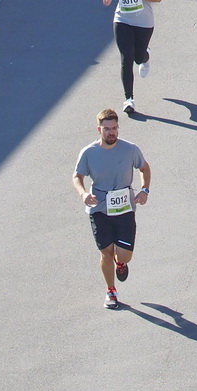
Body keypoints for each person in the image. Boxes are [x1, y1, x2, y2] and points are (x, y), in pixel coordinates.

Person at [73, 109, 151, 308]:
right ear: (99, 130)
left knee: (124, 254)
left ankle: (121, 263)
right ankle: (111, 291)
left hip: (125, 208)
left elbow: (144, 168)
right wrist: (83, 194)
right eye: (106, 129)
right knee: (106, 252)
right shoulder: (89, 153)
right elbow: (77, 176)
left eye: (114, 128)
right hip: (99, 209)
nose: (111, 133)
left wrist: (144, 190)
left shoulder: (130, 149)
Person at [102, 0, 163, 116]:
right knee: (126, 58)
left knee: (138, 57)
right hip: (122, 19)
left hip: (144, 22)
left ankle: (145, 56)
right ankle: (129, 99)